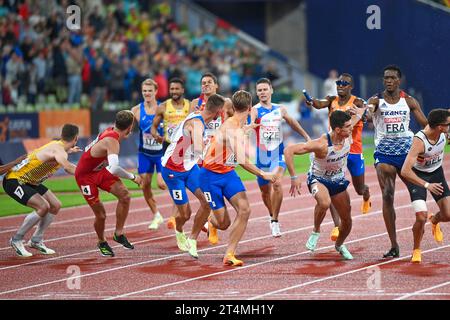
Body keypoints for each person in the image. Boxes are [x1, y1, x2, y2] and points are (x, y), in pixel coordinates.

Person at [188, 90, 276, 266]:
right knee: (223, 223)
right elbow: (242, 160)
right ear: (250, 107)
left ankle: (229, 253)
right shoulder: (231, 127)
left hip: (227, 173)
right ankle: (211, 222)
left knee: (245, 209)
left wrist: (246, 129)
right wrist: (262, 173)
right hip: (209, 176)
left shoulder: (236, 125)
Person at [285, 109, 367, 260]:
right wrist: (294, 177)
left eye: (351, 125)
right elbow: (289, 150)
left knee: (347, 221)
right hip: (318, 179)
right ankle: (316, 231)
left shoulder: (347, 132)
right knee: (324, 202)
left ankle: (339, 245)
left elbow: (358, 116)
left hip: (337, 180)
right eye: (348, 127)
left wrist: (362, 111)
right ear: (337, 129)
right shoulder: (321, 144)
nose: (352, 128)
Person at [367, 65, 428, 258]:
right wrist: (364, 114)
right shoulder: (376, 100)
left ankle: (426, 227)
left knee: (417, 193)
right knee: (387, 194)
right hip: (384, 153)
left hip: (407, 153)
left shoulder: (409, 101)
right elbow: (369, 113)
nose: (388, 81)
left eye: (392, 78)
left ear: (399, 80)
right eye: (386, 78)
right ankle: (394, 245)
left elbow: (425, 125)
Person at [307, 73, 371, 243]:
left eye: (344, 83)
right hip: (335, 150)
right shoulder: (331, 100)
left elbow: (368, 114)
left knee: (359, 188)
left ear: (351, 86)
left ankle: (366, 195)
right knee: (332, 185)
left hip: (354, 150)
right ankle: (336, 226)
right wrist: (311, 101)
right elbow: (319, 103)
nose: (340, 85)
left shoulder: (357, 102)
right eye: (339, 83)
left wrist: (361, 113)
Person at [161, 94, 226, 252]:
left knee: (207, 202)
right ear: (217, 112)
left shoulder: (200, 116)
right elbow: (198, 149)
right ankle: (179, 231)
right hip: (172, 170)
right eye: (222, 111)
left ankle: (193, 239)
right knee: (185, 214)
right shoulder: (197, 124)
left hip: (189, 168)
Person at [4, 124, 80, 257]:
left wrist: (69, 151)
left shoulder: (57, 146)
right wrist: (87, 174)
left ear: (62, 135)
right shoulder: (59, 151)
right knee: (43, 207)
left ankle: (36, 240)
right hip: (15, 180)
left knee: (55, 205)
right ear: (76, 138)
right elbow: (68, 167)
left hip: (30, 181)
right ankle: (16, 239)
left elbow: (53, 154)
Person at [75, 111, 142, 257]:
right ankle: (101, 241)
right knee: (101, 215)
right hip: (85, 176)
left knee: (125, 196)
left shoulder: (112, 130)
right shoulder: (112, 141)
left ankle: (118, 233)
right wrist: (133, 177)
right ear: (130, 128)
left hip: (98, 170)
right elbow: (115, 168)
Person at [250, 78, 311, 237]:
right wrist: (247, 127)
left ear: (271, 91)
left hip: (278, 155)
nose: (262, 92)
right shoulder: (254, 110)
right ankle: (271, 215)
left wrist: (306, 136)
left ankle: (275, 221)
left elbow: (292, 123)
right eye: (259, 90)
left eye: (265, 89)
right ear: (256, 93)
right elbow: (248, 124)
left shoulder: (280, 109)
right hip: (262, 158)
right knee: (264, 192)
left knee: (276, 183)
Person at [401, 109, 450, 263]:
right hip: (417, 177)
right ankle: (416, 249)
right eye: (448, 125)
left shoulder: (443, 133)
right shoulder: (420, 141)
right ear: (440, 127)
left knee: (448, 215)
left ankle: (434, 220)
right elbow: (404, 171)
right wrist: (427, 185)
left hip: (436, 173)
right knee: (421, 217)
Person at [190, 72, 234, 244]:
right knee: (207, 190)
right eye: (203, 83)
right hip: (202, 154)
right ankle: (210, 221)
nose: (205, 85)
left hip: (221, 152)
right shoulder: (195, 103)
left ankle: (212, 221)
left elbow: (235, 120)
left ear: (217, 86)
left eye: (209, 82)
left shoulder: (226, 102)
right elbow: (190, 123)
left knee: (219, 189)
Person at [151, 77, 191, 230]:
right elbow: (153, 127)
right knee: (161, 183)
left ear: (182, 90)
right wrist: (155, 135)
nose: (174, 91)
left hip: (185, 148)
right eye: (172, 89)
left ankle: (174, 216)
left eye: (176, 89)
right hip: (168, 147)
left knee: (176, 180)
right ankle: (177, 207)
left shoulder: (190, 106)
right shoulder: (163, 107)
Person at [131, 78, 166, 231]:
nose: (147, 93)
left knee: (162, 184)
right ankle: (156, 215)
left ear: (155, 92)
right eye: (144, 91)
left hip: (161, 154)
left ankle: (177, 209)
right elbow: (127, 128)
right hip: (144, 153)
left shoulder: (163, 108)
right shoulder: (136, 110)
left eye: (150, 91)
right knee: (144, 185)